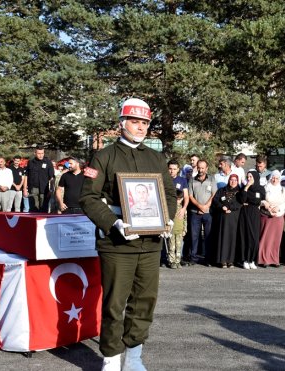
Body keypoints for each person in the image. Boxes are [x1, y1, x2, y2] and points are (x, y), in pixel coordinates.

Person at [79, 97, 176, 370]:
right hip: (117, 242)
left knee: (144, 302)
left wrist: (166, 218)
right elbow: (88, 197)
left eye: (145, 122)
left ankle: (133, 357)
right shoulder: (104, 156)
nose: (141, 127)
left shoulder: (155, 157)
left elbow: (169, 193)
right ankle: (110, 358)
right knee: (114, 303)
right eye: (135, 121)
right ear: (121, 123)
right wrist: (114, 222)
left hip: (150, 242)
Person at [258, 170, 285, 267]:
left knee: (276, 239)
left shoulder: (282, 189)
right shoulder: (265, 188)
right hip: (267, 215)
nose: (274, 180)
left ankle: (274, 259)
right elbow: (260, 199)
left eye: (276, 178)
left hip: (278, 216)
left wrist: (278, 208)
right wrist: (266, 204)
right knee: (265, 238)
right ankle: (263, 259)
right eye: (273, 177)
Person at [187, 159, 217, 265]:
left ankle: (208, 258)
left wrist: (205, 207)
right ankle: (193, 258)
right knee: (194, 236)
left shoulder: (212, 179)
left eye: (203, 168)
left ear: (206, 168)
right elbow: (190, 196)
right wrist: (200, 206)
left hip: (208, 212)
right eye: (199, 167)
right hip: (195, 212)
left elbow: (214, 194)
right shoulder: (192, 180)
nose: (200, 170)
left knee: (208, 236)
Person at [211, 174, 242, 268]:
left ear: (238, 181)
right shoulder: (222, 190)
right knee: (223, 238)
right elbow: (216, 200)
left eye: (235, 180)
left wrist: (229, 208)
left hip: (234, 218)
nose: (233, 182)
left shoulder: (240, 192)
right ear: (228, 180)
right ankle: (222, 260)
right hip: (223, 218)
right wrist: (222, 207)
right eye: (231, 180)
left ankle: (231, 260)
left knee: (232, 239)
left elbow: (240, 203)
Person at [238, 170, 265, 269]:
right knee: (246, 236)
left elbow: (259, 200)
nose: (249, 179)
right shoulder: (244, 188)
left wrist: (251, 200)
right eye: (248, 177)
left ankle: (252, 259)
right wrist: (247, 187)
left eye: (251, 177)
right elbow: (242, 199)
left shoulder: (260, 188)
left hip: (255, 214)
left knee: (254, 237)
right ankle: (245, 259)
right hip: (245, 213)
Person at [25, 147, 54, 212]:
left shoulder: (48, 162)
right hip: (33, 189)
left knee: (43, 208)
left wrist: (51, 189)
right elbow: (26, 175)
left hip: (44, 189)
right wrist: (24, 189)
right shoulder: (30, 162)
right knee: (33, 208)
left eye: (42, 153)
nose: (41, 155)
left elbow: (51, 177)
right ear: (35, 153)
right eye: (39, 153)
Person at [167, 190, 187, 269]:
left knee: (179, 247)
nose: (178, 200)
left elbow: (185, 220)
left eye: (180, 199)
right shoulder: (171, 208)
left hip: (180, 230)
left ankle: (178, 261)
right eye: (177, 199)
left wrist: (184, 230)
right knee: (172, 247)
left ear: (182, 199)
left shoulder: (183, 209)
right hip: (172, 231)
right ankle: (172, 261)